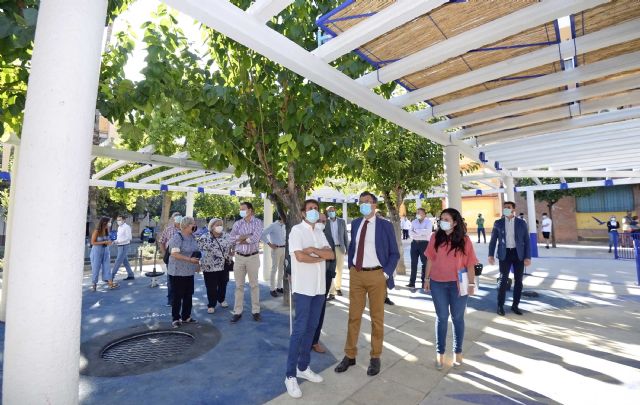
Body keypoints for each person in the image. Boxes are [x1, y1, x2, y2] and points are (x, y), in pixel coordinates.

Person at [334, 191, 399, 377]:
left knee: (377, 319)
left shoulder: (385, 226)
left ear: (374, 204)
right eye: (361, 202)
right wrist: (352, 266)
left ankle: (375, 356)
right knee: (353, 317)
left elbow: (394, 253)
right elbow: (354, 245)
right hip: (357, 275)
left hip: (377, 275)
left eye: (367, 202)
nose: (364, 205)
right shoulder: (355, 223)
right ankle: (350, 355)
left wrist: (385, 273)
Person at [284, 199, 334, 398]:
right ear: (303, 213)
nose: (313, 211)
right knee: (299, 330)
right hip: (303, 288)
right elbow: (299, 257)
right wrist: (318, 255)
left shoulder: (320, 231)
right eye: (310, 209)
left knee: (313, 328)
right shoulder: (297, 231)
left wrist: (314, 251)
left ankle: (303, 367)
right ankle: (289, 375)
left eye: (316, 209)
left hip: (319, 288)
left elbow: (330, 254)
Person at [424, 208, 477, 369]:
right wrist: (426, 279)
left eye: (446, 219)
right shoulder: (435, 237)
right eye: (441, 219)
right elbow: (430, 260)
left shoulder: (465, 240)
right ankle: (440, 353)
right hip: (437, 283)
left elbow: (470, 264)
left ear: (454, 222)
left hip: (458, 285)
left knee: (457, 318)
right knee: (441, 317)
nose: (443, 221)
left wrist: (471, 283)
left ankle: (458, 352)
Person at [488, 201, 532, 316]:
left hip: (518, 254)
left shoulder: (521, 223)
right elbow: (493, 241)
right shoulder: (498, 223)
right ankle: (500, 305)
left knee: (519, 281)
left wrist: (528, 257)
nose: (506, 209)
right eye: (505, 207)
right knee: (503, 280)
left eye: (508, 207)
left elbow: (527, 241)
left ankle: (515, 305)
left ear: (513, 209)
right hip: (505, 254)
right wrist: (490, 255)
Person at [229, 201, 264, 323]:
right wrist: (246, 237)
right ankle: (237, 311)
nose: (241, 211)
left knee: (254, 285)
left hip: (253, 257)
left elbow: (255, 238)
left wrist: (240, 238)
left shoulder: (258, 222)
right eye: (240, 209)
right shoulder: (238, 223)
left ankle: (256, 311)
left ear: (250, 210)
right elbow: (231, 238)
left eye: (243, 209)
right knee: (239, 286)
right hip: (239, 257)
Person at [167, 216, 201, 328]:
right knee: (177, 296)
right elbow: (174, 254)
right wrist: (190, 260)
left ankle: (186, 316)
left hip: (189, 271)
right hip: (177, 272)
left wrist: (197, 264)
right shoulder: (177, 237)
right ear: (186, 225)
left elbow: (195, 251)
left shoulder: (192, 237)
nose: (195, 226)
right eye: (193, 224)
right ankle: (175, 318)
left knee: (188, 295)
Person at [197, 218, 233, 313]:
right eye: (217, 225)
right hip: (209, 266)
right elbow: (199, 250)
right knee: (211, 286)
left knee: (223, 283)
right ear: (212, 226)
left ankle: (221, 299)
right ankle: (211, 304)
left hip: (224, 264)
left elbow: (230, 247)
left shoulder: (226, 236)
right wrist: (198, 263)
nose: (220, 226)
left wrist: (230, 254)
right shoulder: (204, 237)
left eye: (221, 224)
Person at [312, 212, 336, 352]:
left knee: (320, 310)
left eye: (324, 221)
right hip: (308, 278)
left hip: (324, 277)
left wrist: (331, 274)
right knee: (306, 310)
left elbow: (332, 256)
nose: (321, 222)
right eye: (319, 220)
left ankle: (315, 341)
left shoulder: (328, 235)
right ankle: (305, 339)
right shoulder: (306, 233)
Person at [261, 213, 287, 297]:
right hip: (276, 249)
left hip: (284, 249)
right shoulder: (273, 225)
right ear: (282, 217)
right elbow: (262, 234)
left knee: (281, 269)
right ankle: (272, 289)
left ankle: (279, 287)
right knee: (274, 269)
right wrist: (269, 244)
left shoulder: (285, 225)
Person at [327, 205, 349, 299]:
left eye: (332, 210)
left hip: (340, 248)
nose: (331, 212)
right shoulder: (325, 222)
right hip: (329, 249)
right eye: (329, 211)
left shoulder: (341, 221)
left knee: (339, 269)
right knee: (330, 270)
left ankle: (338, 287)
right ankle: (331, 292)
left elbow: (345, 236)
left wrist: (347, 248)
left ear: (335, 210)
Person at [90, 216, 117, 291]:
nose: (110, 223)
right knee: (96, 268)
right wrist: (104, 242)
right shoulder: (97, 231)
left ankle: (110, 283)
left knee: (107, 267)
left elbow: (109, 240)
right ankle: (94, 284)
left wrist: (110, 242)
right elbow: (92, 242)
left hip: (106, 251)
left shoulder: (107, 230)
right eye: (109, 222)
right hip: (96, 251)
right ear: (104, 222)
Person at [160, 212, 182, 306]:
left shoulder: (184, 229)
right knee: (170, 278)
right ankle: (170, 299)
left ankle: (180, 298)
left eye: (179, 217)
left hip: (182, 256)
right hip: (170, 256)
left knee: (181, 278)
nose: (177, 219)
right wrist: (164, 253)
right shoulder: (168, 229)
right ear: (172, 219)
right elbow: (161, 241)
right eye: (175, 217)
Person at [407, 208, 432, 288]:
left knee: (425, 263)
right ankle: (412, 282)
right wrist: (421, 232)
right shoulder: (414, 222)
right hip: (414, 243)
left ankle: (424, 283)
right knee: (413, 263)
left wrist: (416, 231)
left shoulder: (428, 222)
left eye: (420, 213)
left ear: (424, 214)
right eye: (417, 212)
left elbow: (428, 232)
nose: (418, 214)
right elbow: (410, 233)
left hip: (424, 244)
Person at [111, 214, 134, 281]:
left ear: (124, 220)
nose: (118, 221)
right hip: (120, 246)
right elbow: (120, 237)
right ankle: (131, 275)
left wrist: (119, 241)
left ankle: (111, 276)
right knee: (125, 261)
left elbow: (129, 238)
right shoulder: (119, 227)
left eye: (120, 220)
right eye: (117, 220)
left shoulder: (127, 227)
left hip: (124, 246)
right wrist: (115, 241)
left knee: (118, 261)